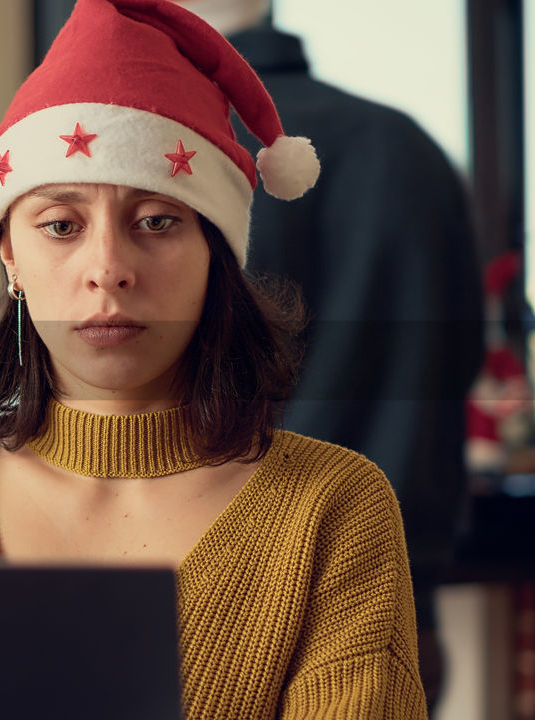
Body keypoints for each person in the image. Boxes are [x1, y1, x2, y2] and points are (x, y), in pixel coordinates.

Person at [0, 0, 428, 717]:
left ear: (217, 254)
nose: (108, 268)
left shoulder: (332, 509)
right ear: (12, 253)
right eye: (61, 225)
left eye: (157, 221)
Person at [170, 0, 484, 708]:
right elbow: (463, 351)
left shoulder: (194, 156)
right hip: (405, 605)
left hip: (232, 625)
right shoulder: (411, 145)